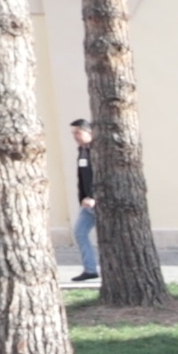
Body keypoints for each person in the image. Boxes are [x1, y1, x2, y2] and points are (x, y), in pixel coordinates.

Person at [68, 119, 99, 282]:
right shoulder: (82, 151)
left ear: (89, 132)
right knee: (80, 232)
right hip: (86, 203)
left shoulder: (98, 152)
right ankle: (90, 269)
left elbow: (101, 177)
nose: (75, 136)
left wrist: (94, 197)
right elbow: (82, 178)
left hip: (99, 203)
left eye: (78, 132)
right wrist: (82, 198)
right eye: (73, 133)